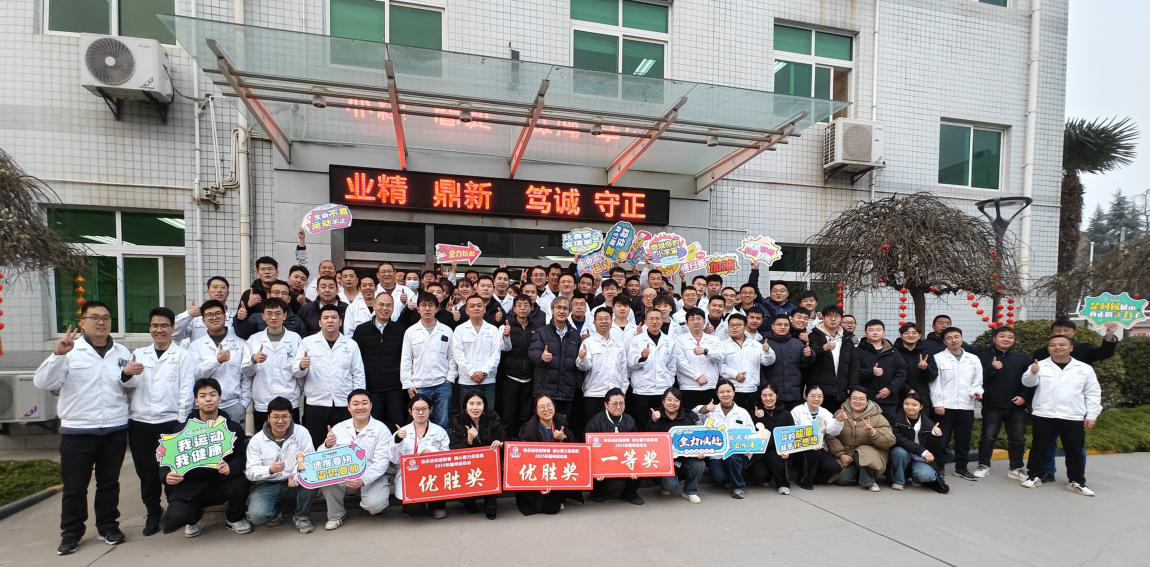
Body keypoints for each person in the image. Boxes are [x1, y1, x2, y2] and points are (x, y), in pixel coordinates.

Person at [35, 302, 134, 555]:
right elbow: (43, 382)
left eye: (106, 318)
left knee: (109, 483)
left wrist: (129, 375)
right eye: (95, 317)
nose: (101, 322)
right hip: (78, 431)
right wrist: (57, 355)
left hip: (113, 428)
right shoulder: (70, 350)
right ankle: (71, 532)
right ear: (82, 322)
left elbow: (130, 385)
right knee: (74, 487)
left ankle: (108, 526)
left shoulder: (122, 351)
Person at [125, 307, 197, 536]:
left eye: (164, 325)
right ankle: (153, 512)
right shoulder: (139, 354)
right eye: (155, 325)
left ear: (173, 328)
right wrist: (128, 373)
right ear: (149, 328)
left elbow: (186, 390)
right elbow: (127, 385)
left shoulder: (183, 355)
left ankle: (175, 511)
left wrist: (181, 423)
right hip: (140, 422)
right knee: (146, 472)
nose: (159, 330)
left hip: (170, 422)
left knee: (172, 471)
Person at [1031, 318, 1118, 483]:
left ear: (1074, 333)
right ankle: (1046, 472)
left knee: (1075, 446)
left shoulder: (1084, 348)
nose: (1062, 334)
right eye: (1058, 331)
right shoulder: (1041, 352)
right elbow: (1032, 378)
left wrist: (1109, 335)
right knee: (1045, 444)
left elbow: (1104, 353)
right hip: (1047, 408)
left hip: (1073, 408)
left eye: (1066, 331)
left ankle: (1077, 478)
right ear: (1051, 334)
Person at [161, 378, 251, 537]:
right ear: (196, 401)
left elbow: (241, 456)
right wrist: (166, 475)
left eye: (212, 395)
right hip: (192, 486)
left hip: (221, 482)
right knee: (176, 516)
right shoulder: (181, 430)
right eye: (203, 396)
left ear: (219, 398)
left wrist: (231, 468)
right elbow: (165, 461)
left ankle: (234, 518)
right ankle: (193, 519)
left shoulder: (232, 427)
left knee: (241, 482)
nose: (208, 399)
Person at [1021, 335, 1102, 496]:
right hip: (1044, 414)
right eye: (1053, 345)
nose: (1057, 347)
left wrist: (1092, 415)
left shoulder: (1084, 368)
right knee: (1039, 448)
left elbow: (1093, 393)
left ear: (1071, 348)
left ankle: (1076, 481)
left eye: (1062, 344)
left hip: (1072, 415)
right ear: (1048, 348)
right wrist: (1032, 373)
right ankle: (1034, 476)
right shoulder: (1039, 365)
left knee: (1074, 450)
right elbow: (1027, 383)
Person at [319, 390, 395, 530]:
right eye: (355, 404)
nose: (360, 407)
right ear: (349, 407)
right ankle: (336, 515)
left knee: (375, 506)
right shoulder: (339, 428)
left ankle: (366, 496)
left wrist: (363, 480)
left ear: (371, 405)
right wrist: (327, 445)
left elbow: (382, 462)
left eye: (364, 403)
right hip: (344, 474)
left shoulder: (381, 429)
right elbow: (322, 458)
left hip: (371, 476)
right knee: (328, 477)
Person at [292, 304, 367, 447]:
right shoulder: (308, 342)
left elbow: (358, 373)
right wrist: (302, 365)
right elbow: (296, 371)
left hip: (343, 402)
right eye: (326, 318)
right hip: (316, 403)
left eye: (334, 317)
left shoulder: (351, 344)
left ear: (340, 321)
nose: (330, 320)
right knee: (316, 443)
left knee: (344, 443)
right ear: (320, 322)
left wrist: (358, 400)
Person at [244, 396, 315, 534]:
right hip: (267, 484)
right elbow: (250, 472)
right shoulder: (257, 440)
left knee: (311, 481)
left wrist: (296, 475)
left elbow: (309, 459)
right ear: (268, 417)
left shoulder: (302, 432)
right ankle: (276, 511)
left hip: (295, 482)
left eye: (284, 416)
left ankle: (302, 517)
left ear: (291, 416)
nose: (280, 421)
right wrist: (270, 469)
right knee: (256, 516)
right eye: (275, 417)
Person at [973, 326, 1032, 480]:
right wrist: (991, 368)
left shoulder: (1022, 358)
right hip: (992, 404)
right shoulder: (983, 356)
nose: (1006, 339)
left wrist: (1024, 397)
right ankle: (983, 465)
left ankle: (1016, 467)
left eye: (1010, 337)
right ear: (994, 338)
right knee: (988, 437)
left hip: (1016, 405)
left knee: (1018, 438)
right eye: (1002, 336)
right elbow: (976, 379)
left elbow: (1031, 381)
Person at [241, 298, 305, 430]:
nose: (273, 317)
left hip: (289, 400)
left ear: (285, 315)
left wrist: (302, 370)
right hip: (263, 402)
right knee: (264, 438)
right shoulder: (254, 339)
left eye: (278, 313)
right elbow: (246, 372)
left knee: (292, 438)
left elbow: (300, 373)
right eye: (269, 314)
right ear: (263, 316)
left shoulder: (295, 339)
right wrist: (253, 360)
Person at [930, 327, 983, 480]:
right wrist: (938, 403)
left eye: (956, 337)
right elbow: (934, 383)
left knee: (963, 439)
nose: (954, 340)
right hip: (945, 405)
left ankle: (961, 468)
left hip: (966, 405)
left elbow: (977, 381)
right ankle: (938, 466)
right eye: (949, 338)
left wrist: (976, 391)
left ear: (961, 338)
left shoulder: (973, 359)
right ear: (944, 341)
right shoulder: (938, 358)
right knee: (941, 439)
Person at [350, 292, 409, 428]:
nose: (384, 308)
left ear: (393, 308)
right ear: (374, 306)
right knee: (372, 427)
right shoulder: (361, 330)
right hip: (371, 389)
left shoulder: (400, 330)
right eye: (381, 304)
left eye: (388, 305)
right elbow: (355, 360)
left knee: (397, 426)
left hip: (395, 389)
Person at [400, 292, 456, 430]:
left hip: (443, 384)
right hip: (420, 385)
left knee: (443, 422)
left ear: (437, 308)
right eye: (423, 305)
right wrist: (408, 383)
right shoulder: (411, 332)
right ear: (418, 309)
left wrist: (450, 379)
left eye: (430, 305)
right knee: (420, 422)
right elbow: (406, 359)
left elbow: (452, 357)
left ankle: (443, 444)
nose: (427, 309)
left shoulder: (447, 330)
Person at [190, 299, 250, 424]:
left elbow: (246, 376)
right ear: (203, 320)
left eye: (218, 313)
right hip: (205, 408)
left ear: (225, 316)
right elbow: (195, 375)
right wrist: (217, 361)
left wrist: (243, 403)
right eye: (209, 315)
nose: (214, 317)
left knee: (236, 436)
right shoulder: (196, 346)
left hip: (233, 405)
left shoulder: (241, 344)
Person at [393, 394, 452, 518]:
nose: (421, 412)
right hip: (411, 476)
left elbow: (447, 457)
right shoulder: (401, 432)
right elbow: (394, 459)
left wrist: (431, 454)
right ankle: (416, 504)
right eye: (417, 409)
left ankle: (435, 505)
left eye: (424, 409)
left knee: (439, 513)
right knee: (413, 510)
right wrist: (398, 440)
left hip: (434, 475)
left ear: (430, 410)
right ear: (410, 411)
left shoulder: (439, 431)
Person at [449, 391, 506, 519]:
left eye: (479, 404)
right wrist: (468, 440)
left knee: (496, 469)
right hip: (467, 465)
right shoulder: (458, 421)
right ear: (465, 406)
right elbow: (454, 450)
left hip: (489, 465)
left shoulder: (493, 418)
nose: (475, 408)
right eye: (471, 404)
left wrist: (499, 444)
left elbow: (504, 441)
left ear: (484, 406)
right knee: (469, 501)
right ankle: (468, 501)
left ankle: (490, 504)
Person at [583, 388, 645, 505]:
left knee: (641, 466)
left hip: (624, 459)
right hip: (603, 462)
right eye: (614, 404)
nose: (618, 407)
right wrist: (597, 468)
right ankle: (597, 493)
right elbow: (588, 448)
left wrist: (634, 466)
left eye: (621, 403)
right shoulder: (596, 421)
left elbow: (635, 446)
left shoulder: (629, 420)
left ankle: (630, 493)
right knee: (615, 485)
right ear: (606, 404)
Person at [516, 394, 575, 516]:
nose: (546, 409)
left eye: (549, 405)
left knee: (555, 503)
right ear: (536, 411)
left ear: (554, 406)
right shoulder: (529, 429)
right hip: (536, 474)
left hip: (556, 470)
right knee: (552, 507)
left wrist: (563, 438)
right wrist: (540, 482)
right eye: (542, 407)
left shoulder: (560, 420)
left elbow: (574, 448)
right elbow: (526, 460)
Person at [827, 387, 895, 492]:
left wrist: (874, 433)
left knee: (862, 453)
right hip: (847, 454)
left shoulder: (877, 417)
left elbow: (890, 440)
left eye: (861, 399)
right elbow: (831, 435)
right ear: (849, 399)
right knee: (842, 480)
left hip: (871, 453)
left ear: (867, 401)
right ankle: (860, 473)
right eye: (854, 398)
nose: (857, 401)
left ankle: (869, 482)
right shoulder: (840, 413)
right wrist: (840, 455)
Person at [693, 380, 752, 498]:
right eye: (722, 392)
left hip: (737, 453)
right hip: (717, 455)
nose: (725, 394)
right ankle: (731, 477)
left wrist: (749, 447)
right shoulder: (711, 411)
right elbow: (693, 415)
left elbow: (751, 433)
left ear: (734, 392)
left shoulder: (742, 412)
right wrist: (706, 408)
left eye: (728, 391)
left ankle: (738, 487)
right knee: (719, 477)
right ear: (717, 394)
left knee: (733, 458)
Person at [528, 297, 584, 418]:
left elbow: (579, 362)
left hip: (567, 390)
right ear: (552, 310)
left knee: (563, 425)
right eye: (558, 307)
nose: (561, 311)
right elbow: (532, 352)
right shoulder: (541, 332)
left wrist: (576, 383)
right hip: (545, 390)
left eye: (565, 308)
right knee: (543, 424)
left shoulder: (575, 335)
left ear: (569, 312)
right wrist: (541, 357)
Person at [647, 387, 705, 503]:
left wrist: (701, 450)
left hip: (685, 458)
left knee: (699, 464)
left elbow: (700, 436)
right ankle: (663, 485)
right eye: (669, 399)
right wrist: (654, 421)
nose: (672, 403)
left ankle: (690, 491)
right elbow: (649, 440)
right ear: (663, 401)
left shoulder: (689, 416)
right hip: (665, 461)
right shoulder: (656, 415)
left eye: (676, 400)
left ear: (680, 402)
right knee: (669, 485)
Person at [577, 309, 629, 428]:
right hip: (594, 394)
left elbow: (623, 371)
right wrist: (582, 358)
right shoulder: (588, 343)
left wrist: (622, 391)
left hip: (615, 396)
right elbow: (583, 367)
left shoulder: (619, 344)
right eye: (599, 319)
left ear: (612, 321)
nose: (603, 321)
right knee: (593, 429)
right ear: (594, 322)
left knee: (614, 429)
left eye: (606, 318)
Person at [627, 309, 678, 431]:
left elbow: (672, 366)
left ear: (662, 321)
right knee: (642, 424)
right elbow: (630, 364)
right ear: (645, 321)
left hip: (663, 390)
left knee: (662, 425)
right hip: (642, 391)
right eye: (651, 319)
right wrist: (642, 357)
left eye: (657, 319)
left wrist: (669, 382)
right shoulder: (636, 340)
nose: (654, 322)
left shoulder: (669, 341)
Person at [890, 392, 949, 493]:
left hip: (920, 459)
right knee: (899, 451)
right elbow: (900, 440)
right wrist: (923, 452)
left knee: (927, 476)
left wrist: (936, 435)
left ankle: (915, 476)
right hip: (904, 455)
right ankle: (899, 481)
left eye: (914, 405)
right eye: (906, 404)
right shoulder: (895, 420)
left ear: (921, 407)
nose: (909, 407)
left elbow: (935, 449)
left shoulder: (929, 424)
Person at [789, 385, 845, 490]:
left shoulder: (824, 412)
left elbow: (832, 431)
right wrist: (809, 443)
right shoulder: (797, 411)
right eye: (813, 396)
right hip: (799, 448)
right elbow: (792, 432)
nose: (816, 399)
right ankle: (804, 481)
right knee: (813, 452)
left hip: (818, 447)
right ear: (806, 396)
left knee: (834, 468)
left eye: (819, 396)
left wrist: (838, 421)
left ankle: (813, 478)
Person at [805, 305, 859, 412]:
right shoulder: (814, 336)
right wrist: (824, 348)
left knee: (840, 419)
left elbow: (854, 364)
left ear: (841, 319)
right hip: (820, 391)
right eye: (830, 316)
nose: (833, 319)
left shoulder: (847, 338)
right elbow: (809, 360)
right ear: (823, 318)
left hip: (842, 390)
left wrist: (852, 386)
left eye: (837, 316)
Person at [453, 295, 504, 407]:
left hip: (488, 381)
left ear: (484, 309)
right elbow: (458, 355)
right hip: (467, 381)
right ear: (466, 310)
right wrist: (472, 372)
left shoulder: (493, 330)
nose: (476, 308)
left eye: (479, 306)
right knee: (467, 413)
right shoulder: (459, 330)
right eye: (472, 306)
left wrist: (484, 372)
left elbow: (496, 355)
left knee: (488, 413)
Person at [499, 295, 539, 437]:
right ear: (514, 309)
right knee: (508, 414)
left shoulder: (537, 327)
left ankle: (523, 442)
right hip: (510, 378)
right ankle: (506, 443)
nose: (523, 308)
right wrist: (506, 336)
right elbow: (503, 349)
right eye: (519, 305)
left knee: (525, 415)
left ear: (531, 308)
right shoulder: (506, 326)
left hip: (529, 378)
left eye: (526, 305)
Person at [719, 313, 776, 410]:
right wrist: (735, 374)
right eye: (731, 325)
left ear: (745, 327)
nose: (734, 328)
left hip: (752, 389)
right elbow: (718, 365)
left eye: (738, 325)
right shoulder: (722, 345)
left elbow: (767, 362)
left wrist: (767, 352)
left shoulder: (756, 345)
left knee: (751, 415)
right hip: (730, 391)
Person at [854, 319, 907, 420]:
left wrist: (890, 389)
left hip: (889, 400)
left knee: (889, 426)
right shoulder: (858, 351)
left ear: (883, 332)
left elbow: (902, 371)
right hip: (866, 399)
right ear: (865, 332)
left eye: (878, 330)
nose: (875, 332)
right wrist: (871, 372)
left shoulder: (893, 351)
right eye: (871, 330)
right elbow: (854, 372)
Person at [747, 384, 795, 494]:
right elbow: (749, 433)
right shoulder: (754, 412)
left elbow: (791, 435)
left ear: (776, 395)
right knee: (759, 475)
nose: (768, 398)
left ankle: (783, 484)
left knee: (775, 458)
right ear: (760, 396)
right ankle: (768, 477)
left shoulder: (786, 414)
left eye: (771, 395)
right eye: (764, 395)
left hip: (777, 451)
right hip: (758, 452)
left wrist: (788, 451)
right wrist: (756, 418)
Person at [675, 307, 724, 409]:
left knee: (711, 416)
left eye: (699, 318)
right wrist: (697, 376)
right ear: (687, 323)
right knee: (691, 415)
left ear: (704, 321)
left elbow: (720, 357)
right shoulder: (680, 340)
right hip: (688, 386)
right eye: (692, 319)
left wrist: (706, 351)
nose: (696, 322)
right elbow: (680, 362)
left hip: (710, 385)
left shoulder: (714, 339)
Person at [764, 314, 815, 410]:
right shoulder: (765, 343)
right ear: (772, 326)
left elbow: (806, 364)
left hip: (794, 392)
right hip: (772, 394)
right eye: (779, 324)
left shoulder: (797, 343)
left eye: (786, 325)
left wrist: (810, 354)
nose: (783, 327)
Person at [174, 276, 233, 345]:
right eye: (215, 287)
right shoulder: (195, 316)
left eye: (223, 287)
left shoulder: (236, 318)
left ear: (228, 293)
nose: (219, 290)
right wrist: (188, 314)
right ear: (208, 291)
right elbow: (174, 333)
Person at [893, 323, 937, 414]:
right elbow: (892, 375)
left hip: (921, 397)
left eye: (914, 333)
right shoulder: (894, 352)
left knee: (922, 422)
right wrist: (908, 390)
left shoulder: (926, 352)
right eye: (907, 333)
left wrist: (926, 368)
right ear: (901, 335)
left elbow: (933, 376)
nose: (911, 335)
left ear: (919, 335)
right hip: (899, 396)